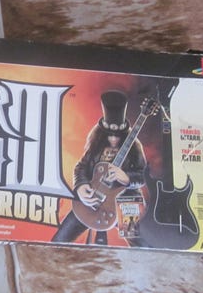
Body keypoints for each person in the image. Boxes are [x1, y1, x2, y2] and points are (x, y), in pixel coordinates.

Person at [52, 91, 147, 245]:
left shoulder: (135, 146)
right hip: (94, 197)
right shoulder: (96, 144)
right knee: (58, 241)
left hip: (125, 199)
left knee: (141, 246)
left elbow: (143, 175)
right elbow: (81, 167)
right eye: (110, 135)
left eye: (118, 135)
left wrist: (126, 177)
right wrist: (81, 186)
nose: (113, 139)